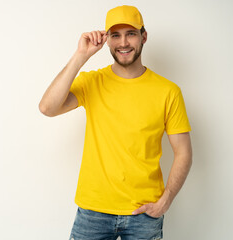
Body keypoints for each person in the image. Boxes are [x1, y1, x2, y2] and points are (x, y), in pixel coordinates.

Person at [39, 5, 192, 240]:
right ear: (107, 40)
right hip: (93, 211)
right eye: (115, 35)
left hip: (144, 214)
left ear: (144, 36)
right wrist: (81, 55)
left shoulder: (168, 91)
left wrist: (166, 201)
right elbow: (47, 107)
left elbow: (183, 151)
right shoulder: (92, 82)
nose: (123, 43)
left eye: (130, 33)